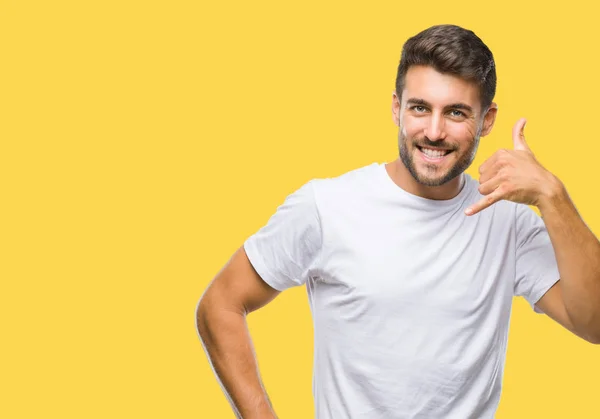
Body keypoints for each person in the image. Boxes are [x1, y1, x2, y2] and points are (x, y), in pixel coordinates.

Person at [196, 24, 600, 419]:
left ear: (487, 120)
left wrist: (553, 196)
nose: (434, 131)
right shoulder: (328, 205)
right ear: (396, 107)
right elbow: (220, 305)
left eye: (456, 112)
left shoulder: (506, 219)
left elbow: (595, 323)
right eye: (420, 108)